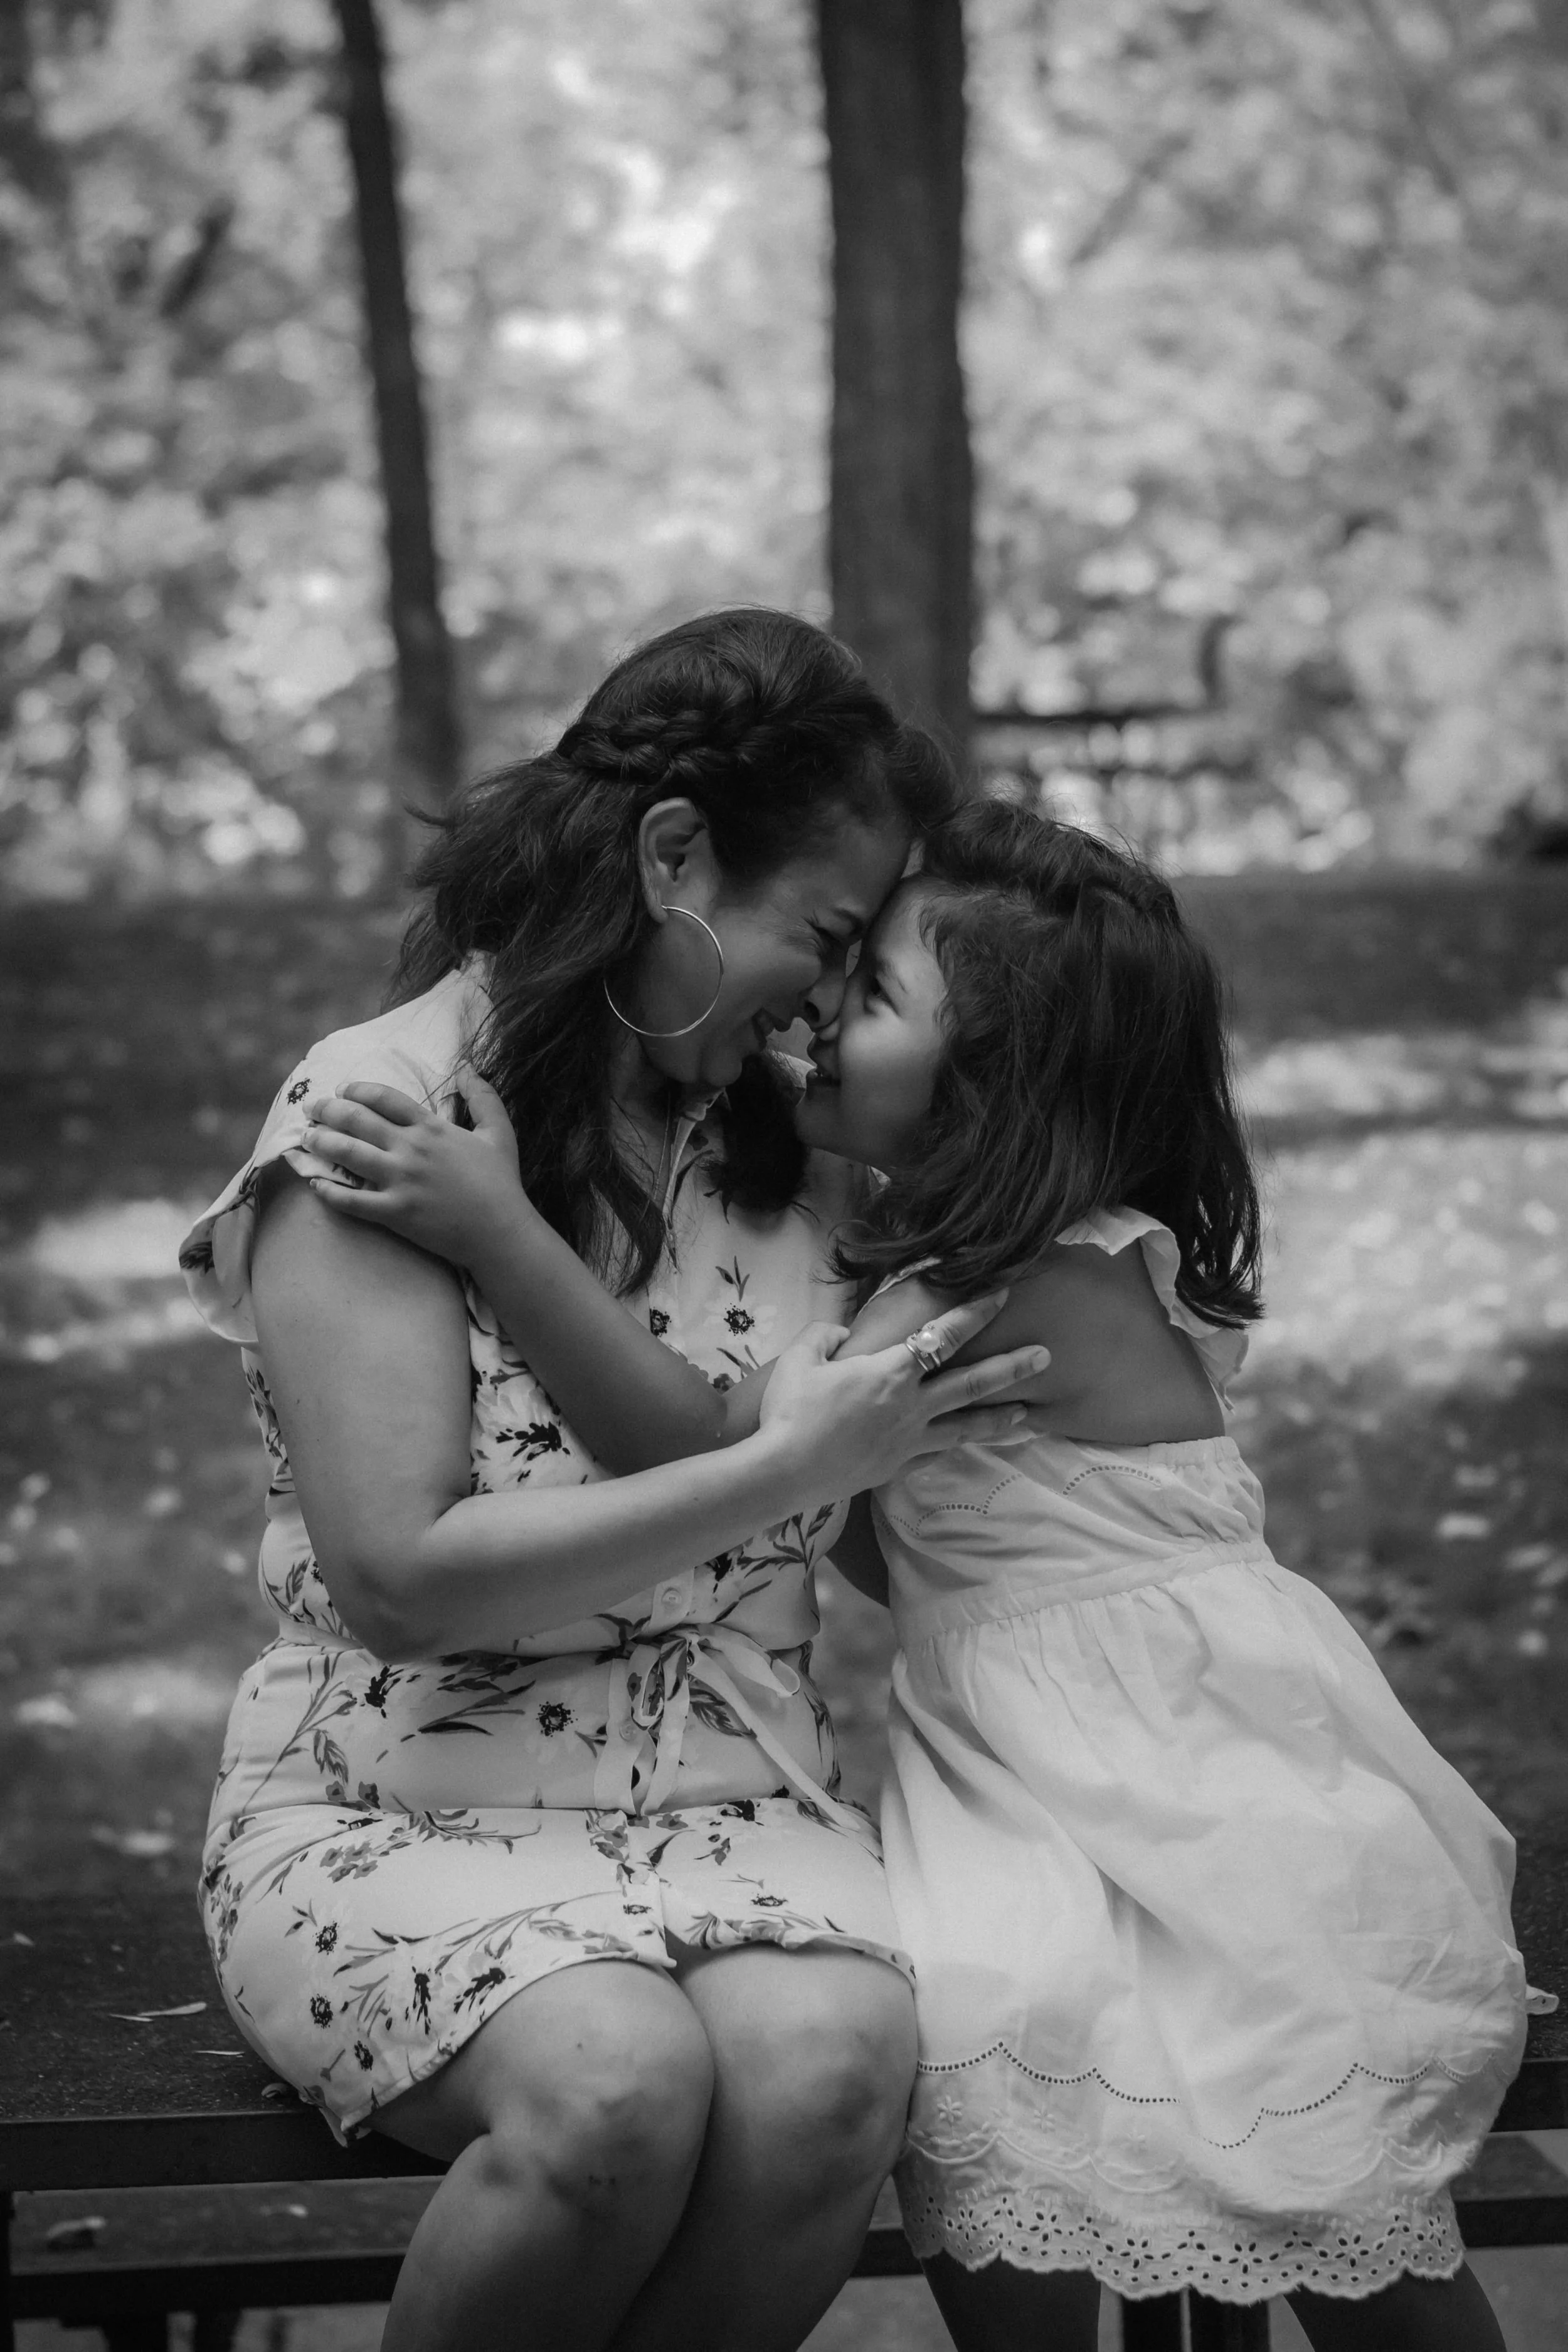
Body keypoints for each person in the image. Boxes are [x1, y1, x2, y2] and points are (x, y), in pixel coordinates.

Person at [304, 798, 1530, 2351]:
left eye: (869, 994)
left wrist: (499, 1235)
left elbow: (697, 1447)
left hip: (1172, 1765)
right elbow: (868, 1525)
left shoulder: (985, 1286)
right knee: (996, 2058)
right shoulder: (956, 1267)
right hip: (1035, 1755)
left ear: (990, 1092)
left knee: (1306, 2160)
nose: (818, 1012)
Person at [177, 610, 1054, 2352]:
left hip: (739, 1796)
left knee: (828, 2073)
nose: (825, 991)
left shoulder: (782, 1142)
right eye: (818, 930)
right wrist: (787, 1467)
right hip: (401, 1804)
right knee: (612, 2091)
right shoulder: (387, 1114)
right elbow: (403, 1574)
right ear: (670, 854)